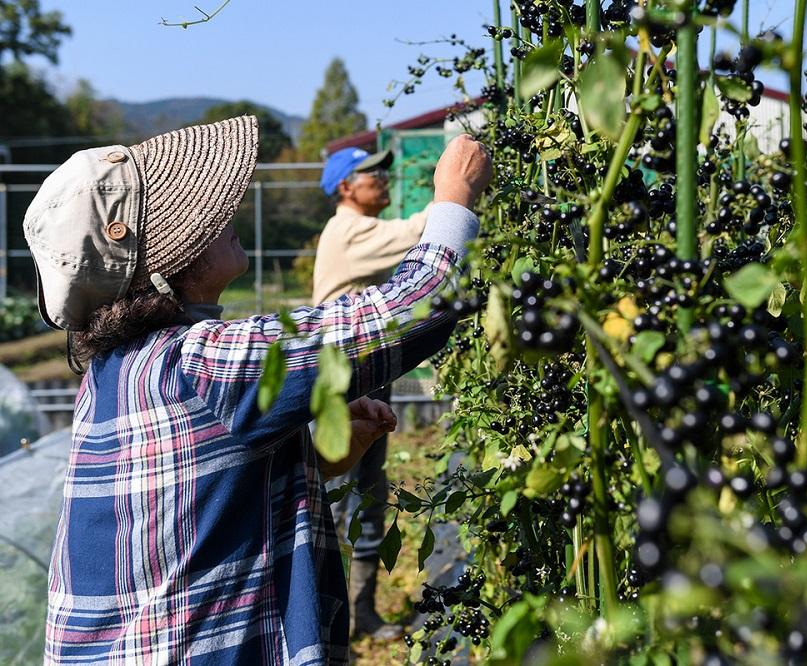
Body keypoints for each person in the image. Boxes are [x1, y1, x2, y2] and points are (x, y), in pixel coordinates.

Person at [25, 116, 491, 665]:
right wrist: (455, 199)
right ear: (160, 259)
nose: (227, 213)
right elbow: (408, 309)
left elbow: (190, 510)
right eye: (196, 212)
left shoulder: (113, 374)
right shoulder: (199, 362)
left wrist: (314, 463)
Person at [313, 145, 435, 640]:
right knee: (344, 494)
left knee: (368, 487)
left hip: (362, 370)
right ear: (346, 188)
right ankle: (334, 618)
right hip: (342, 374)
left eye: (383, 172)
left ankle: (358, 612)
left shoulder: (357, 229)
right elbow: (417, 233)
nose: (382, 181)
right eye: (371, 175)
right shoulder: (349, 230)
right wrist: (457, 193)